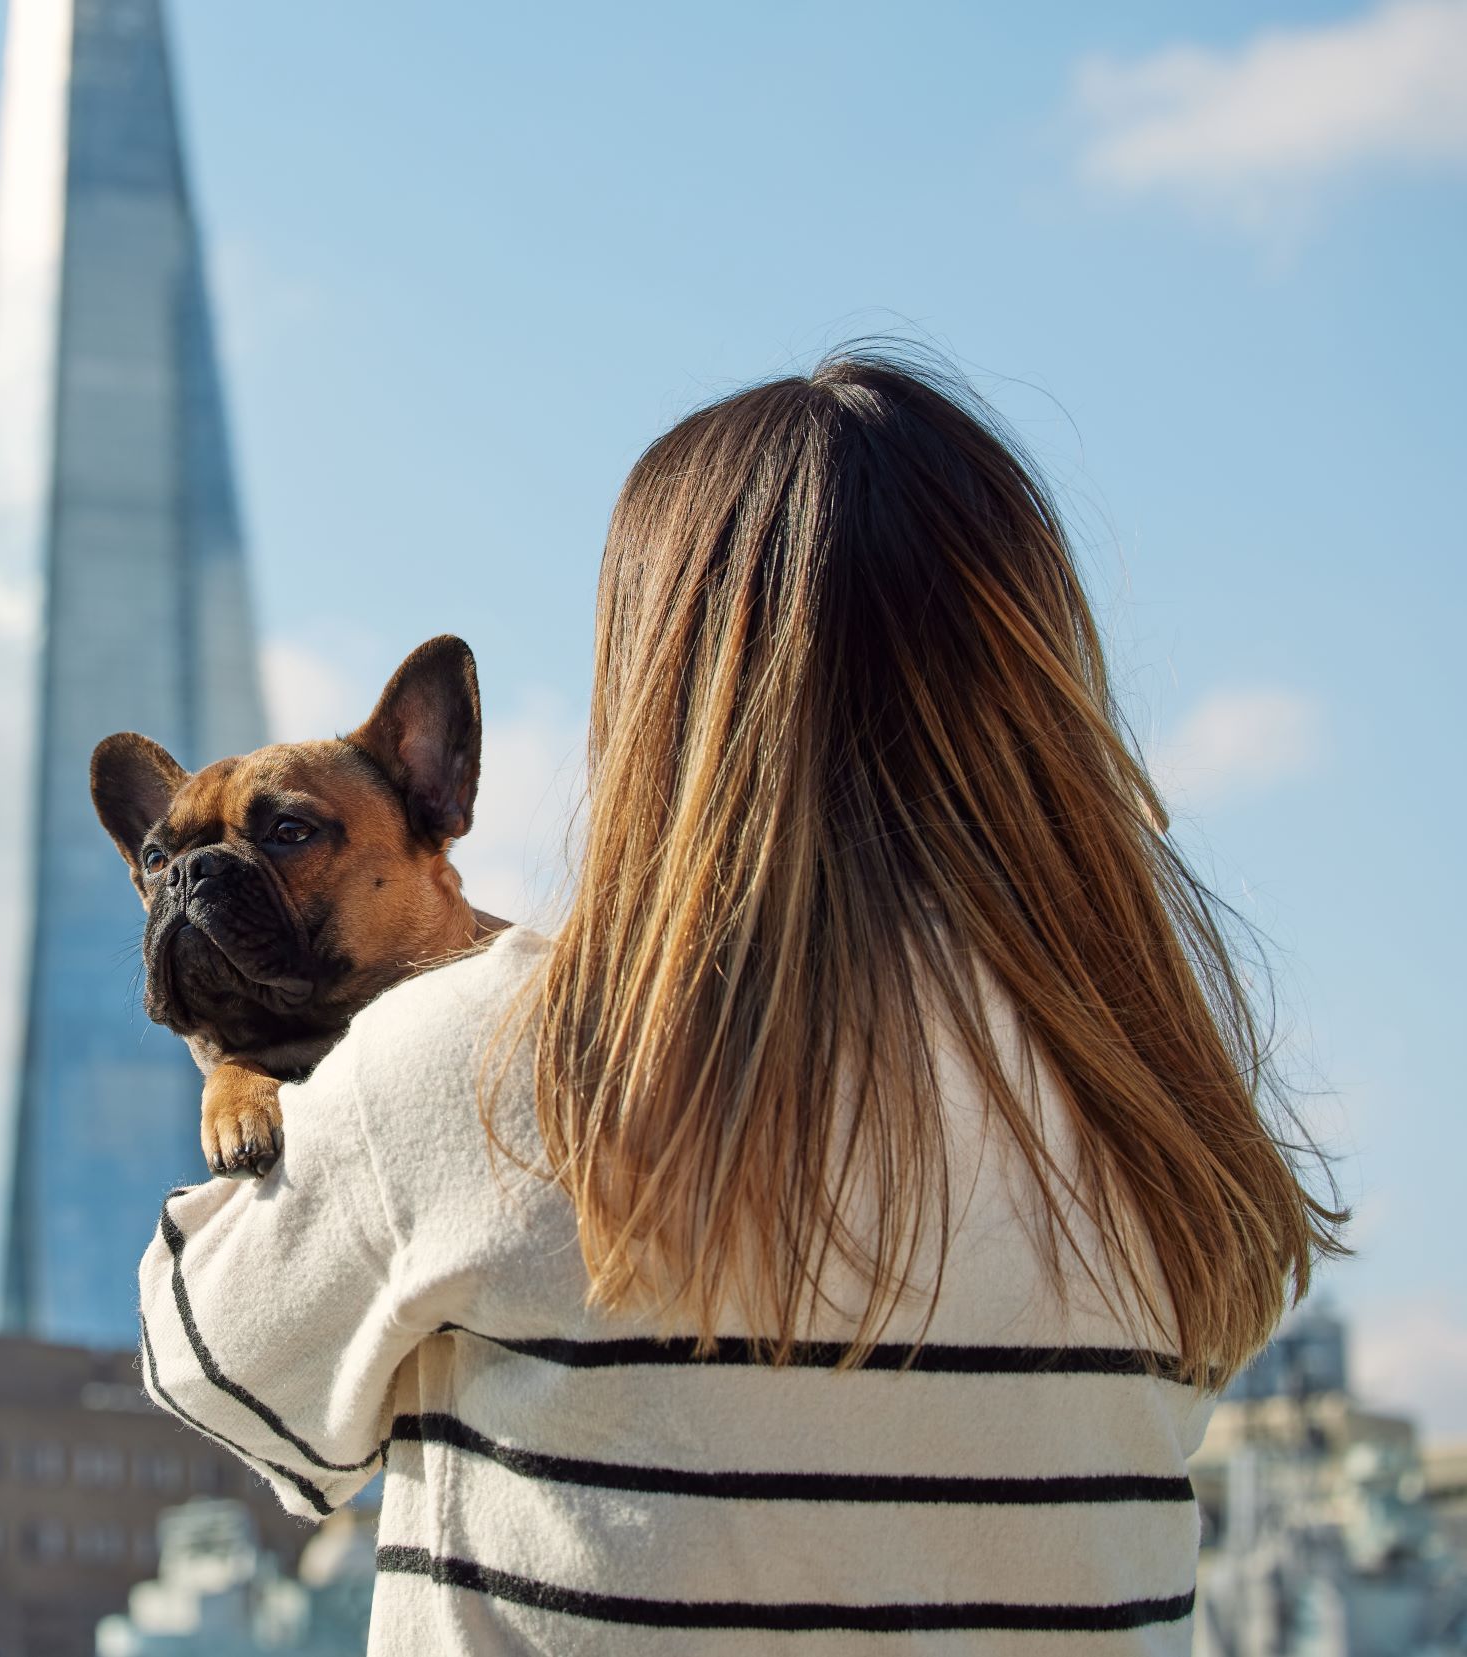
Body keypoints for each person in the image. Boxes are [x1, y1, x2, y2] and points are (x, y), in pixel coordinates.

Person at [135, 350, 1343, 1655]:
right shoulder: (1161, 1121)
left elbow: (216, 1360)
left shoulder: (482, 1069)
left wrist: (251, 1034)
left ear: (659, 697)